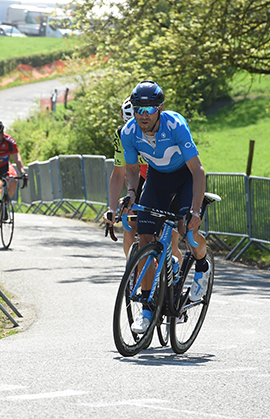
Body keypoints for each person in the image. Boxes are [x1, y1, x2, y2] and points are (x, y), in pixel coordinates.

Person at [121, 80, 211, 334]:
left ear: (160, 108)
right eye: (138, 109)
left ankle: (202, 267)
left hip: (185, 177)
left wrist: (194, 210)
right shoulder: (129, 132)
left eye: (149, 109)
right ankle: (148, 309)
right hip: (157, 179)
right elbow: (130, 169)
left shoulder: (175, 126)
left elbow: (198, 170)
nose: (143, 115)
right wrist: (130, 192)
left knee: (188, 231)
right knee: (145, 238)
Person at [104, 98, 182, 261]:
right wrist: (111, 208)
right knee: (130, 222)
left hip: (169, 177)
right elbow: (119, 173)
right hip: (142, 179)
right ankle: (133, 269)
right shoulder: (122, 135)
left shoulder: (164, 131)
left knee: (170, 239)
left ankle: (173, 279)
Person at [0, 119, 27, 200]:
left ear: (3, 133)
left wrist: (22, 172)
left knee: (13, 180)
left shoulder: (9, 141)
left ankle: (6, 202)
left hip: (5, 167)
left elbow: (17, 158)